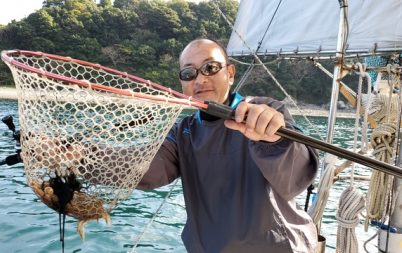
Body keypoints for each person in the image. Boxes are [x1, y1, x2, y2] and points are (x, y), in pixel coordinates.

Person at [137, 38, 319, 253]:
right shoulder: (182, 131)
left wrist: (274, 139)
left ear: (230, 73)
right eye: (189, 73)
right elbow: (147, 167)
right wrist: (89, 156)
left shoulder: (264, 110)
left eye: (210, 68)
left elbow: (296, 177)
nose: (200, 79)